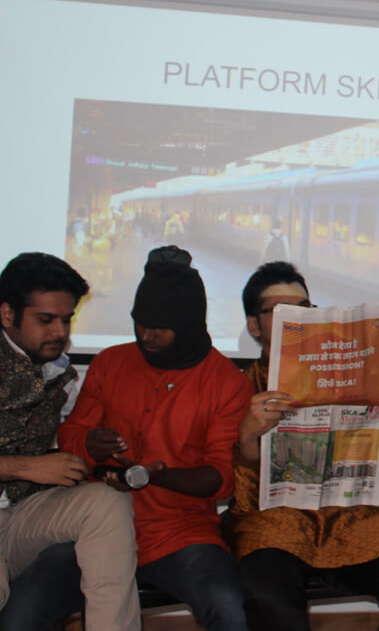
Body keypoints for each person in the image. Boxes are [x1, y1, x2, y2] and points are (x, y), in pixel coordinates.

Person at [229, 261, 379, 630]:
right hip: (274, 527)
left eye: (305, 309)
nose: (297, 320)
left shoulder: (354, 375)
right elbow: (243, 498)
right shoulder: (238, 389)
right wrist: (248, 437)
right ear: (254, 325)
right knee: (267, 593)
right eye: (282, 312)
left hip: (351, 522)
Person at [55, 246, 255, 630]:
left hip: (180, 535)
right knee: (25, 605)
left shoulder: (227, 383)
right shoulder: (110, 363)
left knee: (230, 609)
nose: (147, 334)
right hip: (95, 530)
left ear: (189, 324)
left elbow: (222, 478)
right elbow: (71, 436)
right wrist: (90, 447)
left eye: (161, 326)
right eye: (140, 322)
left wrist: (159, 476)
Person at [0, 253, 140, 631]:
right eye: (46, 320)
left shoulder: (59, 370)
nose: (60, 332)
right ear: (8, 314)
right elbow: (35, 466)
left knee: (107, 502)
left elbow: (69, 439)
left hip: (24, 512)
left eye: (67, 319)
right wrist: (29, 467)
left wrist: (94, 452)